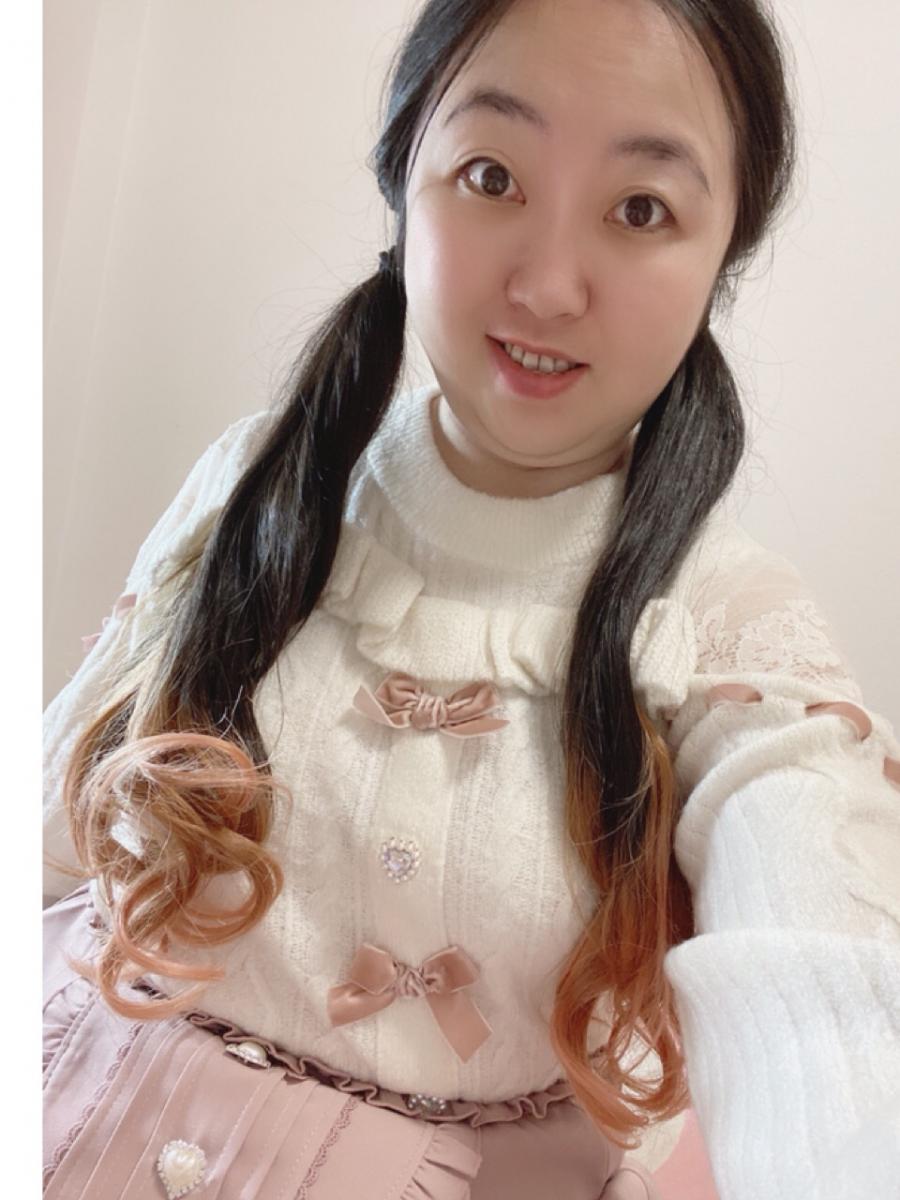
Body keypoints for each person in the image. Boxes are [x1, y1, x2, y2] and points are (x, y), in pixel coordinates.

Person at [42, 0, 900, 1197]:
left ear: (725, 250)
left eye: (641, 209)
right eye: (492, 176)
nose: (546, 286)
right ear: (405, 179)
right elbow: (53, 831)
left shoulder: (732, 624)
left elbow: (823, 987)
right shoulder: (256, 479)